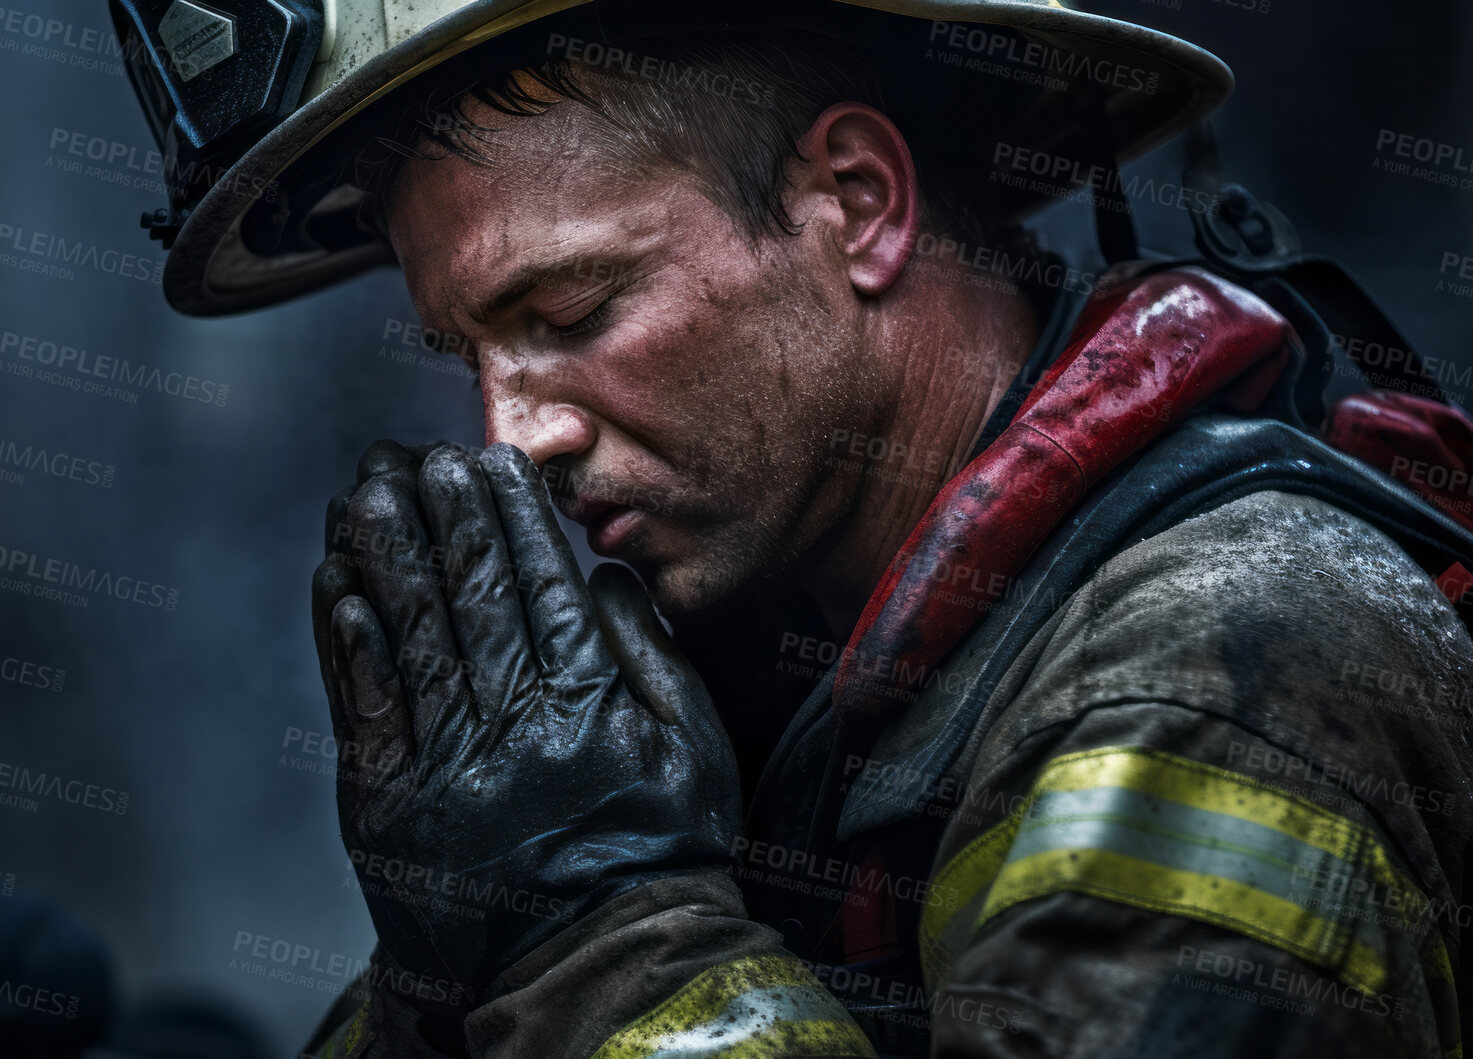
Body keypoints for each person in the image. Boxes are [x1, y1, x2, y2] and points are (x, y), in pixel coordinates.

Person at [113, 1, 1473, 1054]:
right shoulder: (744, 679)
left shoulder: (1224, 662)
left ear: (856, 205)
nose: (511, 440)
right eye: (465, 350)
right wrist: (440, 978)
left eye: (573, 313)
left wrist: (587, 937)